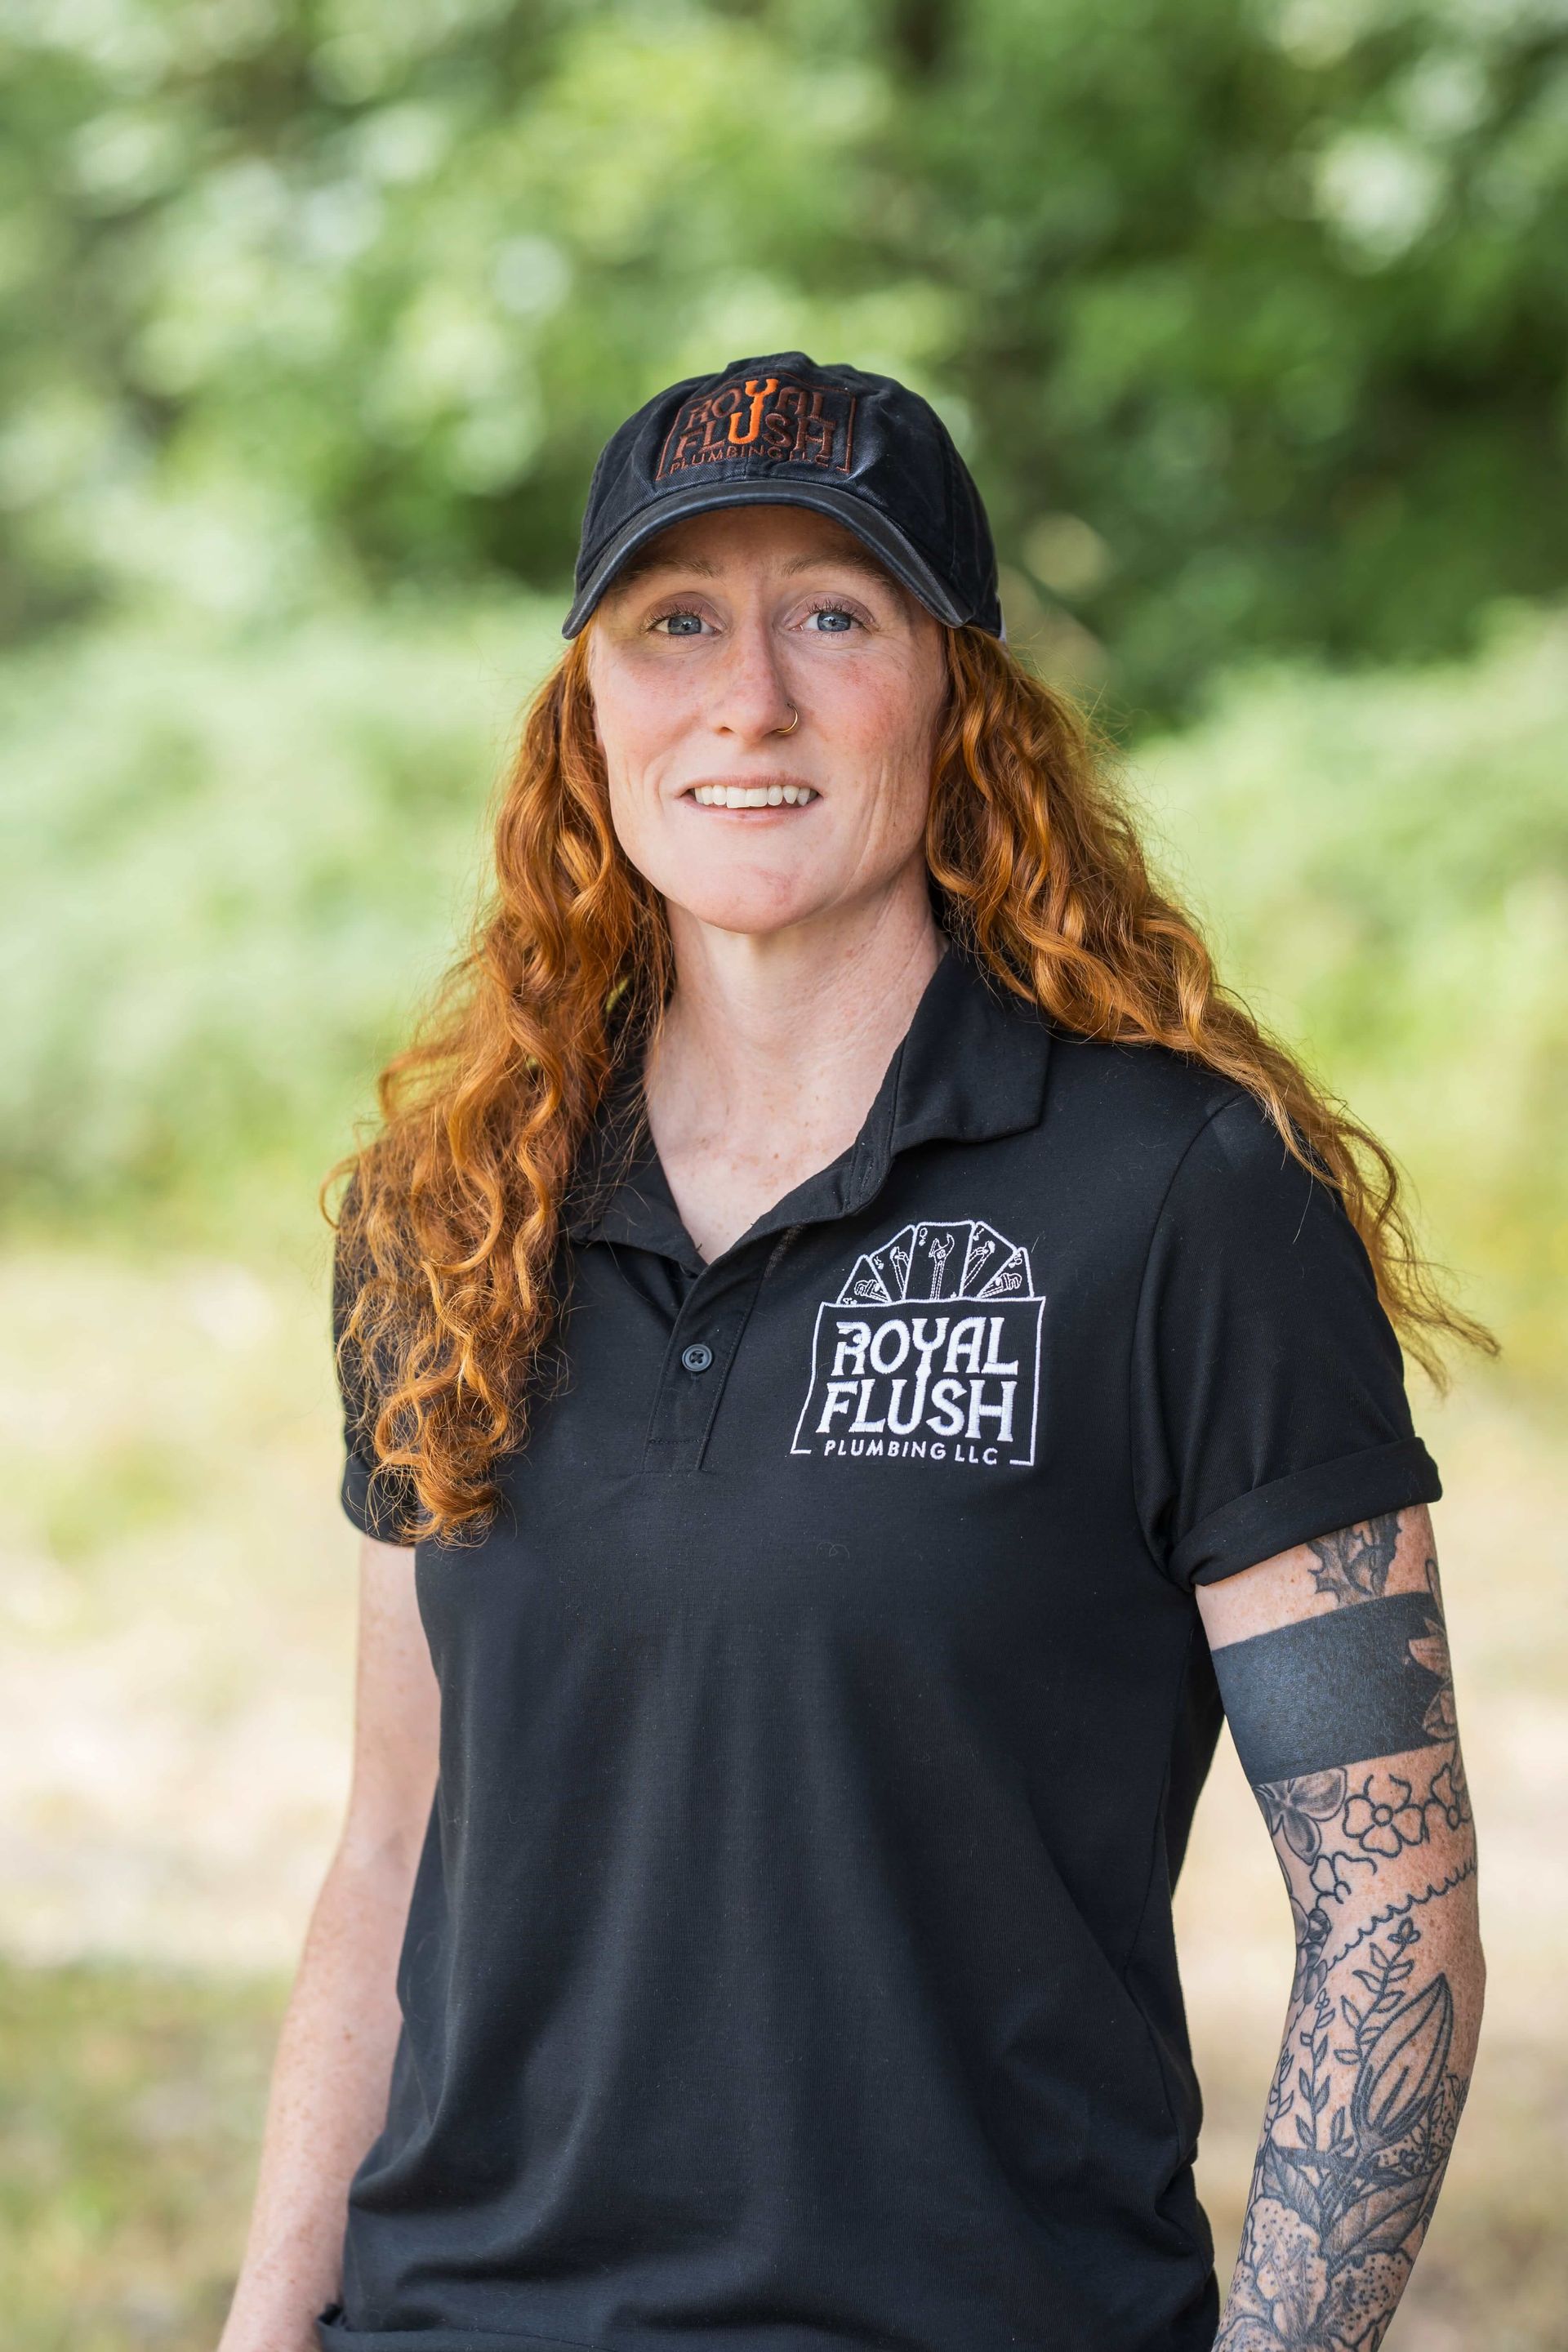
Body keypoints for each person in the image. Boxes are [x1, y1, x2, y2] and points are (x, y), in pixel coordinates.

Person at [216, 353, 1486, 2352]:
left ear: (958, 693)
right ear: (590, 711)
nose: (748, 699)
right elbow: (395, 1845)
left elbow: (1390, 1904)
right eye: (674, 623)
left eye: (833, 612)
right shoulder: (449, 1211)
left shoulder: (1179, 1196)